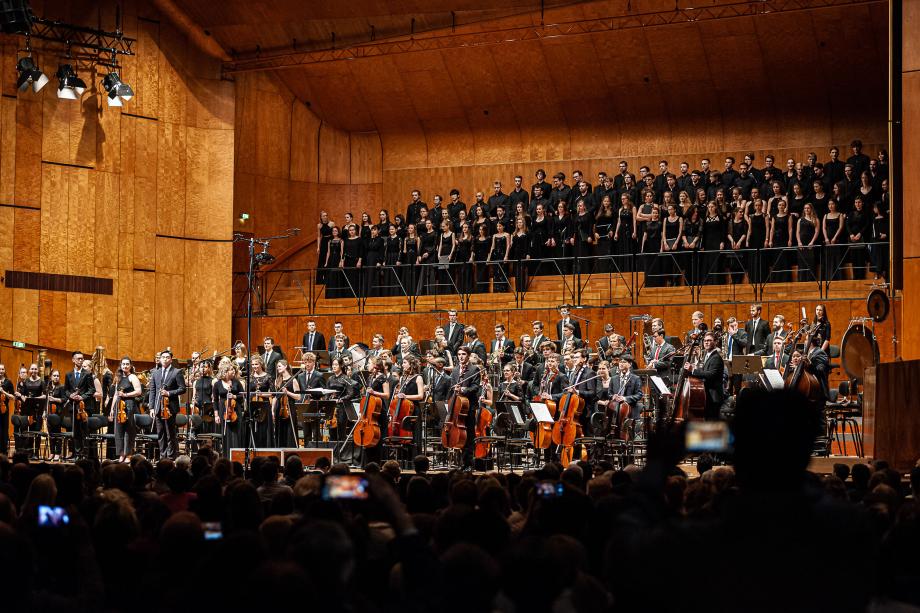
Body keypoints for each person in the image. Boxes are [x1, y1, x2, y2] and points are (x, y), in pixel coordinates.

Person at [148, 350, 186, 460]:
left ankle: (170, 457)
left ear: (171, 359)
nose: (165, 359)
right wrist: (151, 408)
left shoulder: (177, 372)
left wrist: (169, 393)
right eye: (163, 357)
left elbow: (182, 389)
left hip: (170, 408)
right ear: (160, 359)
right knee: (160, 433)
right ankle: (162, 456)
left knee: (170, 433)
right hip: (158, 407)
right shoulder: (155, 372)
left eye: (167, 357)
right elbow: (152, 391)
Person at [449, 346, 482, 469]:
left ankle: (468, 463)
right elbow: (452, 385)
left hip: (469, 406)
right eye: (459, 354)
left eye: (463, 354)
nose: (461, 356)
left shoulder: (474, 369)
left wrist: (463, 389)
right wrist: (455, 389)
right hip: (458, 406)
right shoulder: (455, 370)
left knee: (468, 435)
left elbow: (475, 387)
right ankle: (462, 463)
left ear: (468, 355)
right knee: (459, 434)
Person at [684, 332, 725, 420]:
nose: (706, 342)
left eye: (709, 340)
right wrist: (691, 372)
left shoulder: (716, 358)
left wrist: (693, 370)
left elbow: (711, 374)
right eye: (705, 341)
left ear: (715, 342)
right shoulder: (708, 356)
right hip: (708, 396)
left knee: (712, 423)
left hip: (714, 397)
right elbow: (703, 372)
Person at [110, 357, 142, 463]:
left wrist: (126, 394)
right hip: (118, 405)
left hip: (129, 405)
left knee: (129, 430)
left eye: (127, 364)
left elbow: (138, 391)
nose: (125, 366)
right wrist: (112, 409)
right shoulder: (118, 377)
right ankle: (121, 454)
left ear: (130, 365)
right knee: (118, 431)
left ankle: (128, 454)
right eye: (123, 364)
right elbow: (115, 394)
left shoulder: (132, 377)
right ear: (121, 365)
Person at [607, 356, 643, 438]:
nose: (621, 364)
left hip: (630, 408)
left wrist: (625, 398)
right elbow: (609, 393)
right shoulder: (613, 378)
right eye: (620, 362)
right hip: (615, 409)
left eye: (623, 362)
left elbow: (639, 394)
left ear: (630, 364)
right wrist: (613, 397)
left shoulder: (635, 378)